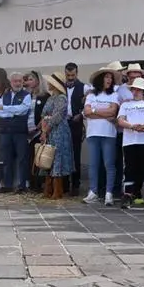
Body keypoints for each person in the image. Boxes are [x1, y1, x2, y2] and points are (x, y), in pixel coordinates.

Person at [116, 63, 144, 201]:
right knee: (129, 168)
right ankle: (128, 195)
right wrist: (132, 126)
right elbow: (120, 120)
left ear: (143, 91)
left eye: (138, 89)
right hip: (130, 141)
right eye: (133, 89)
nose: (135, 91)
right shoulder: (125, 104)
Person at [83, 64, 121, 206]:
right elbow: (86, 113)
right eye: (106, 77)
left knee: (109, 164)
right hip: (93, 133)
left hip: (109, 134)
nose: (109, 80)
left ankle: (108, 193)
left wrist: (94, 110)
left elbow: (113, 112)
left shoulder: (114, 95)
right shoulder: (91, 95)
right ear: (100, 79)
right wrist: (103, 112)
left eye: (111, 77)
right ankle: (93, 192)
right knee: (93, 164)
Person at [0, 72, 32, 193]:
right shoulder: (4, 95)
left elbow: (22, 110)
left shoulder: (26, 95)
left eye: (20, 81)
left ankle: (22, 186)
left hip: (20, 132)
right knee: (6, 158)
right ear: (10, 82)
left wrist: (6, 109)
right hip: (5, 131)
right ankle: (7, 185)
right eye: (15, 81)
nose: (18, 83)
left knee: (22, 159)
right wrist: (12, 111)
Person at [39, 73, 74, 200]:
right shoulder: (50, 98)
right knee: (48, 158)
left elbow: (57, 116)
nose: (48, 84)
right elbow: (43, 114)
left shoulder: (62, 98)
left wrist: (46, 129)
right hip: (49, 130)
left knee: (57, 157)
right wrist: (43, 130)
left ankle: (57, 190)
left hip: (59, 131)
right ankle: (48, 189)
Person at [25, 71, 50, 192]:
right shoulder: (26, 96)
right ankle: (30, 182)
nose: (29, 82)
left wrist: (40, 126)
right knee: (29, 157)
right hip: (27, 130)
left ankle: (39, 184)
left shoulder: (44, 96)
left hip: (39, 130)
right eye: (28, 79)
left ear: (38, 81)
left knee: (38, 157)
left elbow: (46, 113)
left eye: (31, 79)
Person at [64, 62, 86, 196]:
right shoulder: (60, 87)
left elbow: (88, 104)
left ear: (77, 74)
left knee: (75, 155)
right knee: (64, 154)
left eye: (72, 75)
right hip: (63, 124)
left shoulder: (84, 87)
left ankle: (76, 185)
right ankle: (65, 184)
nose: (70, 77)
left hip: (76, 124)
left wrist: (81, 114)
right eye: (68, 75)